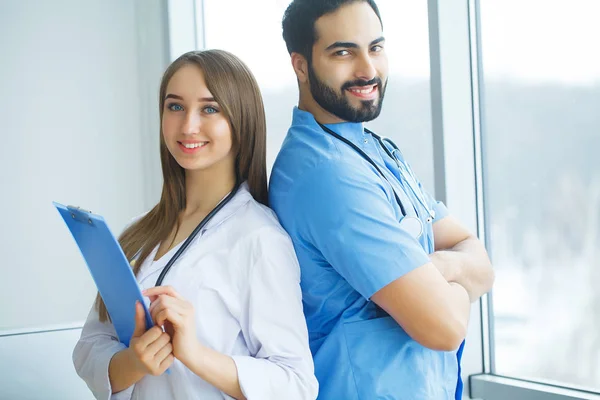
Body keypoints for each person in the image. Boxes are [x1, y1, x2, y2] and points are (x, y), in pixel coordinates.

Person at [269, 1, 495, 399]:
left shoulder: (371, 149)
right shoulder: (326, 176)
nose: (367, 70)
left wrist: (438, 266)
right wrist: (454, 279)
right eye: (343, 52)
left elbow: (481, 262)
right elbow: (444, 326)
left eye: (375, 47)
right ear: (300, 65)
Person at [73, 50, 318, 400]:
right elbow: (89, 346)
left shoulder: (260, 239)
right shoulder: (137, 232)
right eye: (175, 107)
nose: (188, 126)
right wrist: (136, 362)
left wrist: (195, 354)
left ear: (240, 119)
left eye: (209, 109)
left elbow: (296, 385)